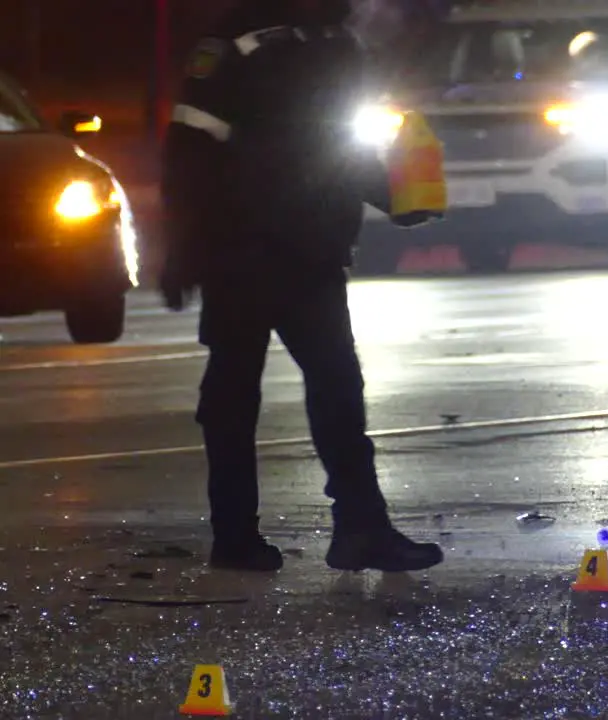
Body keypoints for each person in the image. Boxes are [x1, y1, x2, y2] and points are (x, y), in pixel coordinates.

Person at [158, 0, 443, 573]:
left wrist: (396, 198)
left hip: (310, 250)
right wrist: (184, 246)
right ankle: (238, 535)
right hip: (239, 249)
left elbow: (341, 147)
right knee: (237, 397)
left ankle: (360, 530)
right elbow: (190, 147)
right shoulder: (239, 41)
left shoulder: (335, 42)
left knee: (336, 388)